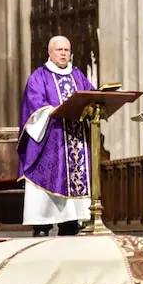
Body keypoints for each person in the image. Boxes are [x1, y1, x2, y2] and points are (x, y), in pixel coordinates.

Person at [18, 35, 96, 237]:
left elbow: (91, 95)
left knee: (72, 207)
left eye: (66, 50)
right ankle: (42, 225)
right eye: (59, 50)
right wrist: (53, 111)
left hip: (75, 141)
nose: (63, 53)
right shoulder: (39, 77)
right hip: (50, 143)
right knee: (48, 179)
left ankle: (70, 222)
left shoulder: (78, 76)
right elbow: (34, 105)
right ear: (49, 52)